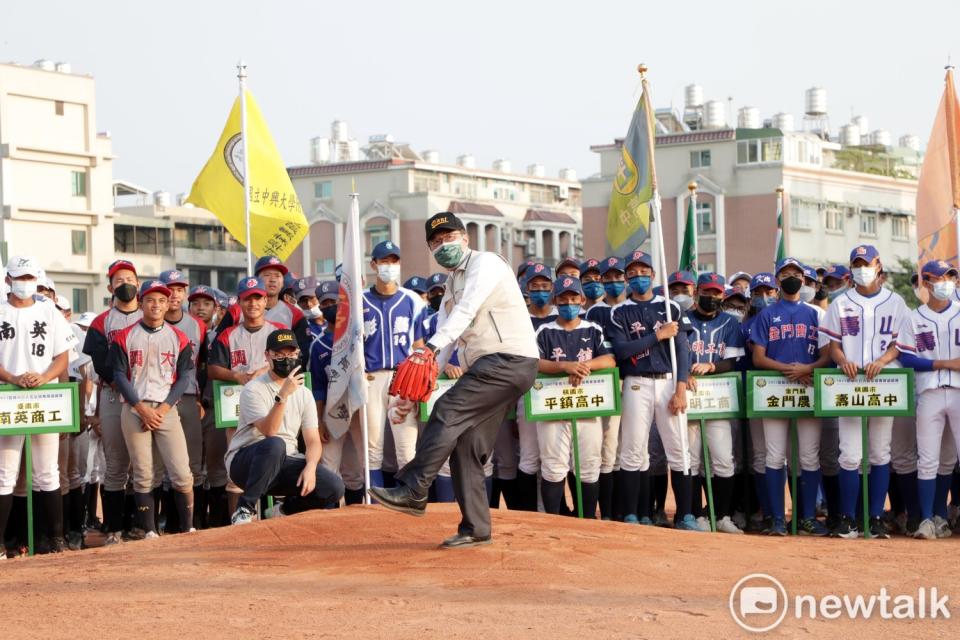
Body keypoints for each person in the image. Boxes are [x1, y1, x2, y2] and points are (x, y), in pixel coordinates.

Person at [370, 211, 539, 548]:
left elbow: (466, 311)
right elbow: (445, 349)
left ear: (465, 238)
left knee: (447, 410)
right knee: (467, 444)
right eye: (436, 241)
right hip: (492, 365)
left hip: (509, 358)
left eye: (449, 237)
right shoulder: (450, 286)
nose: (443, 244)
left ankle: (415, 488)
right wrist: (410, 397)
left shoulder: (486, 263)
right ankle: (476, 527)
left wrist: (427, 348)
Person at [821, 244, 910, 539]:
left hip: (886, 382)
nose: (862, 268)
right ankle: (848, 519)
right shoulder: (840, 303)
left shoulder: (896, 302)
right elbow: (833, 345)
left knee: (880, 452)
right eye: (856, 263)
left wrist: (884, 360)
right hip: (850, 382)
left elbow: (902, 343)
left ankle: (874, 518)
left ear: (878, 264)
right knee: (850, 454)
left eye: (866, 262)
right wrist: (843, 360)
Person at [608, 250, 696, 528]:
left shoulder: (670, 307)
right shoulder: (619, 311)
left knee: (678, 448)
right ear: (626, 278)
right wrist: (657, 335)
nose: (638, 277)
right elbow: (622, 350)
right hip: (637, 381)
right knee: (633, 448)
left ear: (653, 275)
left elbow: (683, 349)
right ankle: (634, 513)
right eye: (632, 273)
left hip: (669, 380)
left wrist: (681, 388)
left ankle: (685, 514)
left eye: (643, 272)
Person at [0, 256, 77, 554]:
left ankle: (56, 539)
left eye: (30, 277)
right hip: (9, 396)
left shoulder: (49, 311)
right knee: (5, 472)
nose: (25, 283)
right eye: (20, 277)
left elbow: (62, 357)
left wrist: (44, 377)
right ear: (8, 279)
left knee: (47, 471)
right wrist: (12, 377)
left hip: (45, 397)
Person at [227, 329, 344, 524]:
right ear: (268, 356)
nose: (285, 359)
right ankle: (244, 509)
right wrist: (283, 396)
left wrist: (311, 466)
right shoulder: (253, 389)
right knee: (275, 444)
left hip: (286, 461)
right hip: (247, 461)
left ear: (298, 354)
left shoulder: (305, 393)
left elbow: (313, 440)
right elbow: (269, 431)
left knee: (334, 486)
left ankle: (284, 510)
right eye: (279, 354)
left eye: (290, 354)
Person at [750, 258, 832, 536]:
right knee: (775, 457)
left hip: (808, 388)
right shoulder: (766, 315)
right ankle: (776, 519)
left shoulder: (816, 314)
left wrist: (807, 369)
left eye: (796, 273)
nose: (791, 278)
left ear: (804, 278)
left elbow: (828, 355)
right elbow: (758, 357)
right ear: (777, 280)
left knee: (809, 456)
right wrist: (790, 370)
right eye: (786, 274)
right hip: (775, 388)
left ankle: (806, 518)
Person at [108, 280, 195, 538]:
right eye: (150, 300)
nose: (156, 305)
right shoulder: (125, 336)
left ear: (168, 303)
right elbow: (119, 376)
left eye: (161, 300)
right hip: (135, 408)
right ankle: (149, 530)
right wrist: (141, 409)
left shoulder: (178, 336)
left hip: (167, 408)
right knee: (143, 472)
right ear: (141, 303)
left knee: (181, 470)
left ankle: (188, 526)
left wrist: (164, 408)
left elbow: (185, 377)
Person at [207, 277, 289, 521]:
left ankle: (274, 517)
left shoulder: (278, 332)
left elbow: (295, 360)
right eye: (247, 298)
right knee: (237, 461)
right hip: (237, 403)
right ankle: (240, 519)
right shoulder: (228, 335)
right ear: (239, 302)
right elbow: (212, 368)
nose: (253, 303)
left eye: (257, 298)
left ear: (266, 300)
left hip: (272, 399)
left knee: (277, 450)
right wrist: (236, 374)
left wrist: (266, 370)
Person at [534, 276, 615, 516]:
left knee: (589, 464)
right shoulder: (544, 330)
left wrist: (584, 365)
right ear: (555, 300)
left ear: (581, 299)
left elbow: (609, 359)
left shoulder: (593, 329)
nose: (569, 303)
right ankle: (554, 520)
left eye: (573, 298)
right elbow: (534, 363)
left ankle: (587, 518)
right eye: (563, 299)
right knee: (553, 466)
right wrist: (565, 366)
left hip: (587, 403)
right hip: (552, 406)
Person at [896, 260, 960, 539]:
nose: (946, 281)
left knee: (948, 460)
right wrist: (944, 363)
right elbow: (906, 357)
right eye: (939, 277)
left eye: (950, 276)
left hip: (959, 391)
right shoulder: (913, 317)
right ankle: (925, 520)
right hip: (929, 392)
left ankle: (941, 517)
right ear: (926, 282)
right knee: (929, 459)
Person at [82, 259, 143, 545]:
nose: (125, 284)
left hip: (145, 396)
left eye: (129, 278)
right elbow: (101, 363)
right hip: (112, 394)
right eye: (119, 280)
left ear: (138, 283)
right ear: (110, 287)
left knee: (143, 462)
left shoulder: (151, 315)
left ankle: (141, 525)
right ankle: (114, 527)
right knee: (116, 461)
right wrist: (125, 387)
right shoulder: (101, 322)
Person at [359, 240, 426, 488]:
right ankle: (375, 509)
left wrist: (416, 384)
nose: (389, 266)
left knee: (407, 448)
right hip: (371, 378)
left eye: (394, 261)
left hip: (402, 378)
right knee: (372, 447)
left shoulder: (412, 301)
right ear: (373, 264)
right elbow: (350, 343)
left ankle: (409, 501)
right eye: (384, 261)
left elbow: (419, 345)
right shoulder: (360, 301)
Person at [686, 272, 745, 534]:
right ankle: (696, 515)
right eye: (706, 292)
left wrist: (711, 366)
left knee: (723, 459)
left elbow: (733, 361)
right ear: (697, 291)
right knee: (691, 459)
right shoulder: (683, 320)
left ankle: (722, 515)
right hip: (687, 395)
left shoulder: (730, 323)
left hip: (718, 397)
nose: (711, 297)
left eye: (716, 293)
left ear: (723, 294)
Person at [158, 269, 207, 532]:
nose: (174, 294)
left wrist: (202, 398)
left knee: (192, 463)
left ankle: (194, 519)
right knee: (162, 466)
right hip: (158, 398)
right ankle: (167, 519)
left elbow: (201, 365)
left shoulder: (196, 325)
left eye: (179, 289)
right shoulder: (151, 322)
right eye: (170, 288)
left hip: (187, 397)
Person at [586, 256, 627, 519]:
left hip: (634, 381)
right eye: (607, 278)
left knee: (629, 448)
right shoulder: (594, 312)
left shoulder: (634, 307)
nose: (613, 282)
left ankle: (627, 510)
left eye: (618, 277)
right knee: (605, 446)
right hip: (604, 383)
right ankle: (609, 512)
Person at [215, 256, 311, 364]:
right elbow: (218, 348)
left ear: (283, 282)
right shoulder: (237, 310)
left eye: (278, 276)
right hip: (242, 376)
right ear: (256, 279)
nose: (273, 279)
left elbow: (302, 354)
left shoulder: (295, 314)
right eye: (267, 275)